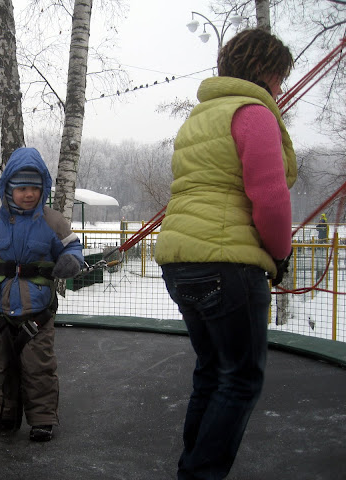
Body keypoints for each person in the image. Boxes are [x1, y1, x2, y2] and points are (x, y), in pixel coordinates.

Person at [154, 29, 296, 480]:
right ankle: (200, 475)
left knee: (213, 371)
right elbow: (269, 198)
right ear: (267, 71)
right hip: (228, 263)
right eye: (281, 78)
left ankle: (191, 467)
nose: (282, 88)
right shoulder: (253, 113)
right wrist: (281, 253)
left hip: (181, 261)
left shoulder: (199, 118)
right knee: (240, 379)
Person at [0, 147, 83, 442]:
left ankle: (42, 419)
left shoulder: (53, 221)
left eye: (35, 188)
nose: (29, 194)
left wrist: (71, 261)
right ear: (8, 187)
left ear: (43, 189)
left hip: (38, 313)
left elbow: (72, 247)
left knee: (39, 368)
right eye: (22, 188)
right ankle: (5, 414)